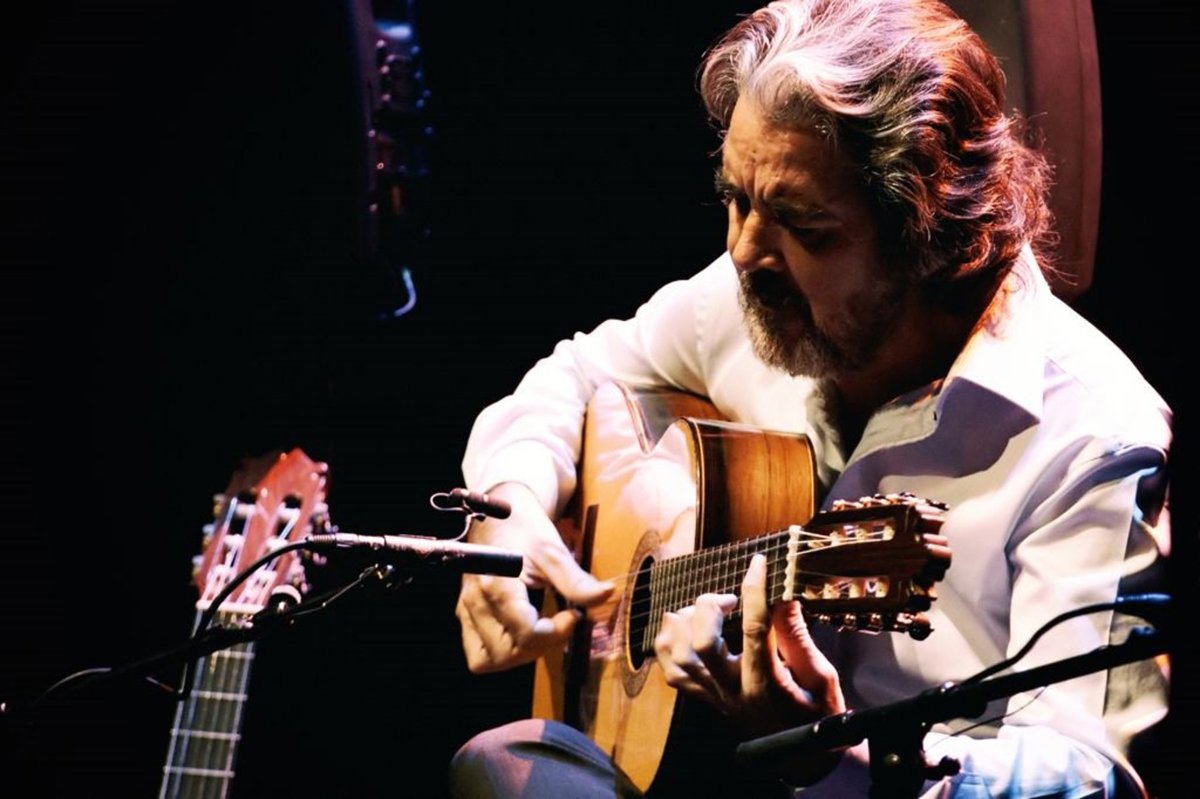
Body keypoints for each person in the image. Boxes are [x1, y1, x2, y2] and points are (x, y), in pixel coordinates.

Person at [447, 0, 1172, 796]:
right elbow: (576, 373)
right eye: (736, 200)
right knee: (505, 764)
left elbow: (1088, 769)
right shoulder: (758, 291)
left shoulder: (1092, 435)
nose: (743, 250)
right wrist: (511, 507)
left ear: (930, 236)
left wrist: (844, 763)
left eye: (805, 226)